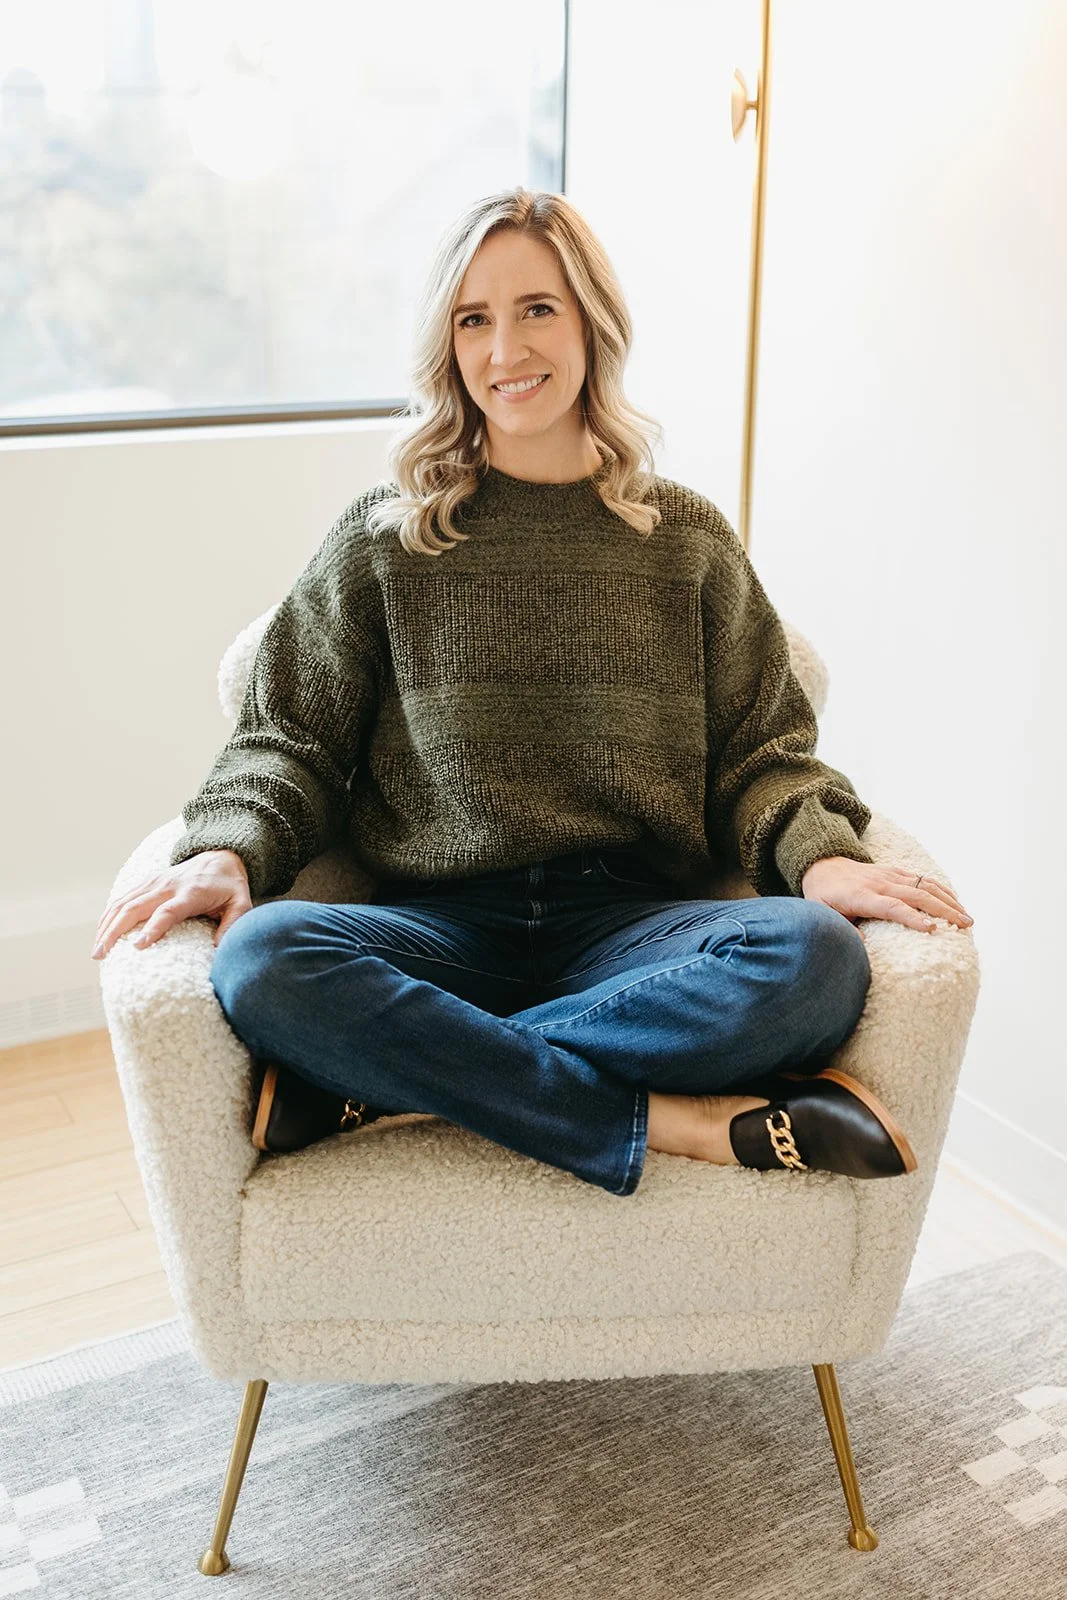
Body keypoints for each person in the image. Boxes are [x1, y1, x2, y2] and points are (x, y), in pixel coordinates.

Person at [91, 187, 973, 1195]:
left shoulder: (682, 539)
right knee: (261, 960)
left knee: (817, 961)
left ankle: (392, 1081)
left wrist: (815, 857)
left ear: (590, 321)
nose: (504, 349)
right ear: (448, 344)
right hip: (439, 927)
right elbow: (290, 735)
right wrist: (226, 847)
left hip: (632, 929)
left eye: (536, 309)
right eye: (474, 319)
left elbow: (761, 751)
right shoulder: (385, 539)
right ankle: (667, 1121)